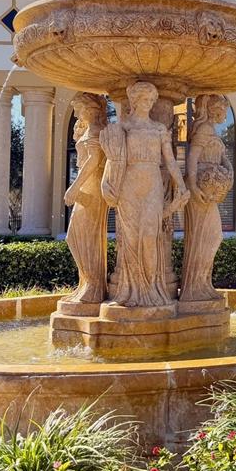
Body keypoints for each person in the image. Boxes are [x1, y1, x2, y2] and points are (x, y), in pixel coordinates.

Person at [101, 81, 188, 307]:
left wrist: (181, 185)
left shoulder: (159, 129)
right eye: (145, 100)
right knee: (129, 238)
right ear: (135, 101)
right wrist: (105, 183)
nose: (148, 104)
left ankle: (150, 290)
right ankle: (130, 292)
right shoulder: (124, 127)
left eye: (151, 100)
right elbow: (113, 159)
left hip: (152, 183)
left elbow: (170, 161)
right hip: (129, 185)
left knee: (150, 236)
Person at [180, 94, 234, 305]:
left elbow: (224, 159)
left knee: (210, 238)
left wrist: (228, 174)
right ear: (213, 110)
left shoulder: (212, 131)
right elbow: (192, 158)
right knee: (207, 238)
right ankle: (194, 288)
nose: (224, 115)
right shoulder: (203, 130)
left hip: (209, 191)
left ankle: (201, 285)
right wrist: (193, 186)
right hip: (200, 192)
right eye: (222, 111)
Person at [63, 93, 110, 306]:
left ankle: (93, 287)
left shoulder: (97, 131)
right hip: (88, 182)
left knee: (83, 235)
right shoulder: (90, 130)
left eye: (81, 109)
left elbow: (94, 160)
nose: (78, 114)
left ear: (90, 109)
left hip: (93, 184)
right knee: (77, 236)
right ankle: (87, 283)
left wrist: (74, 187)